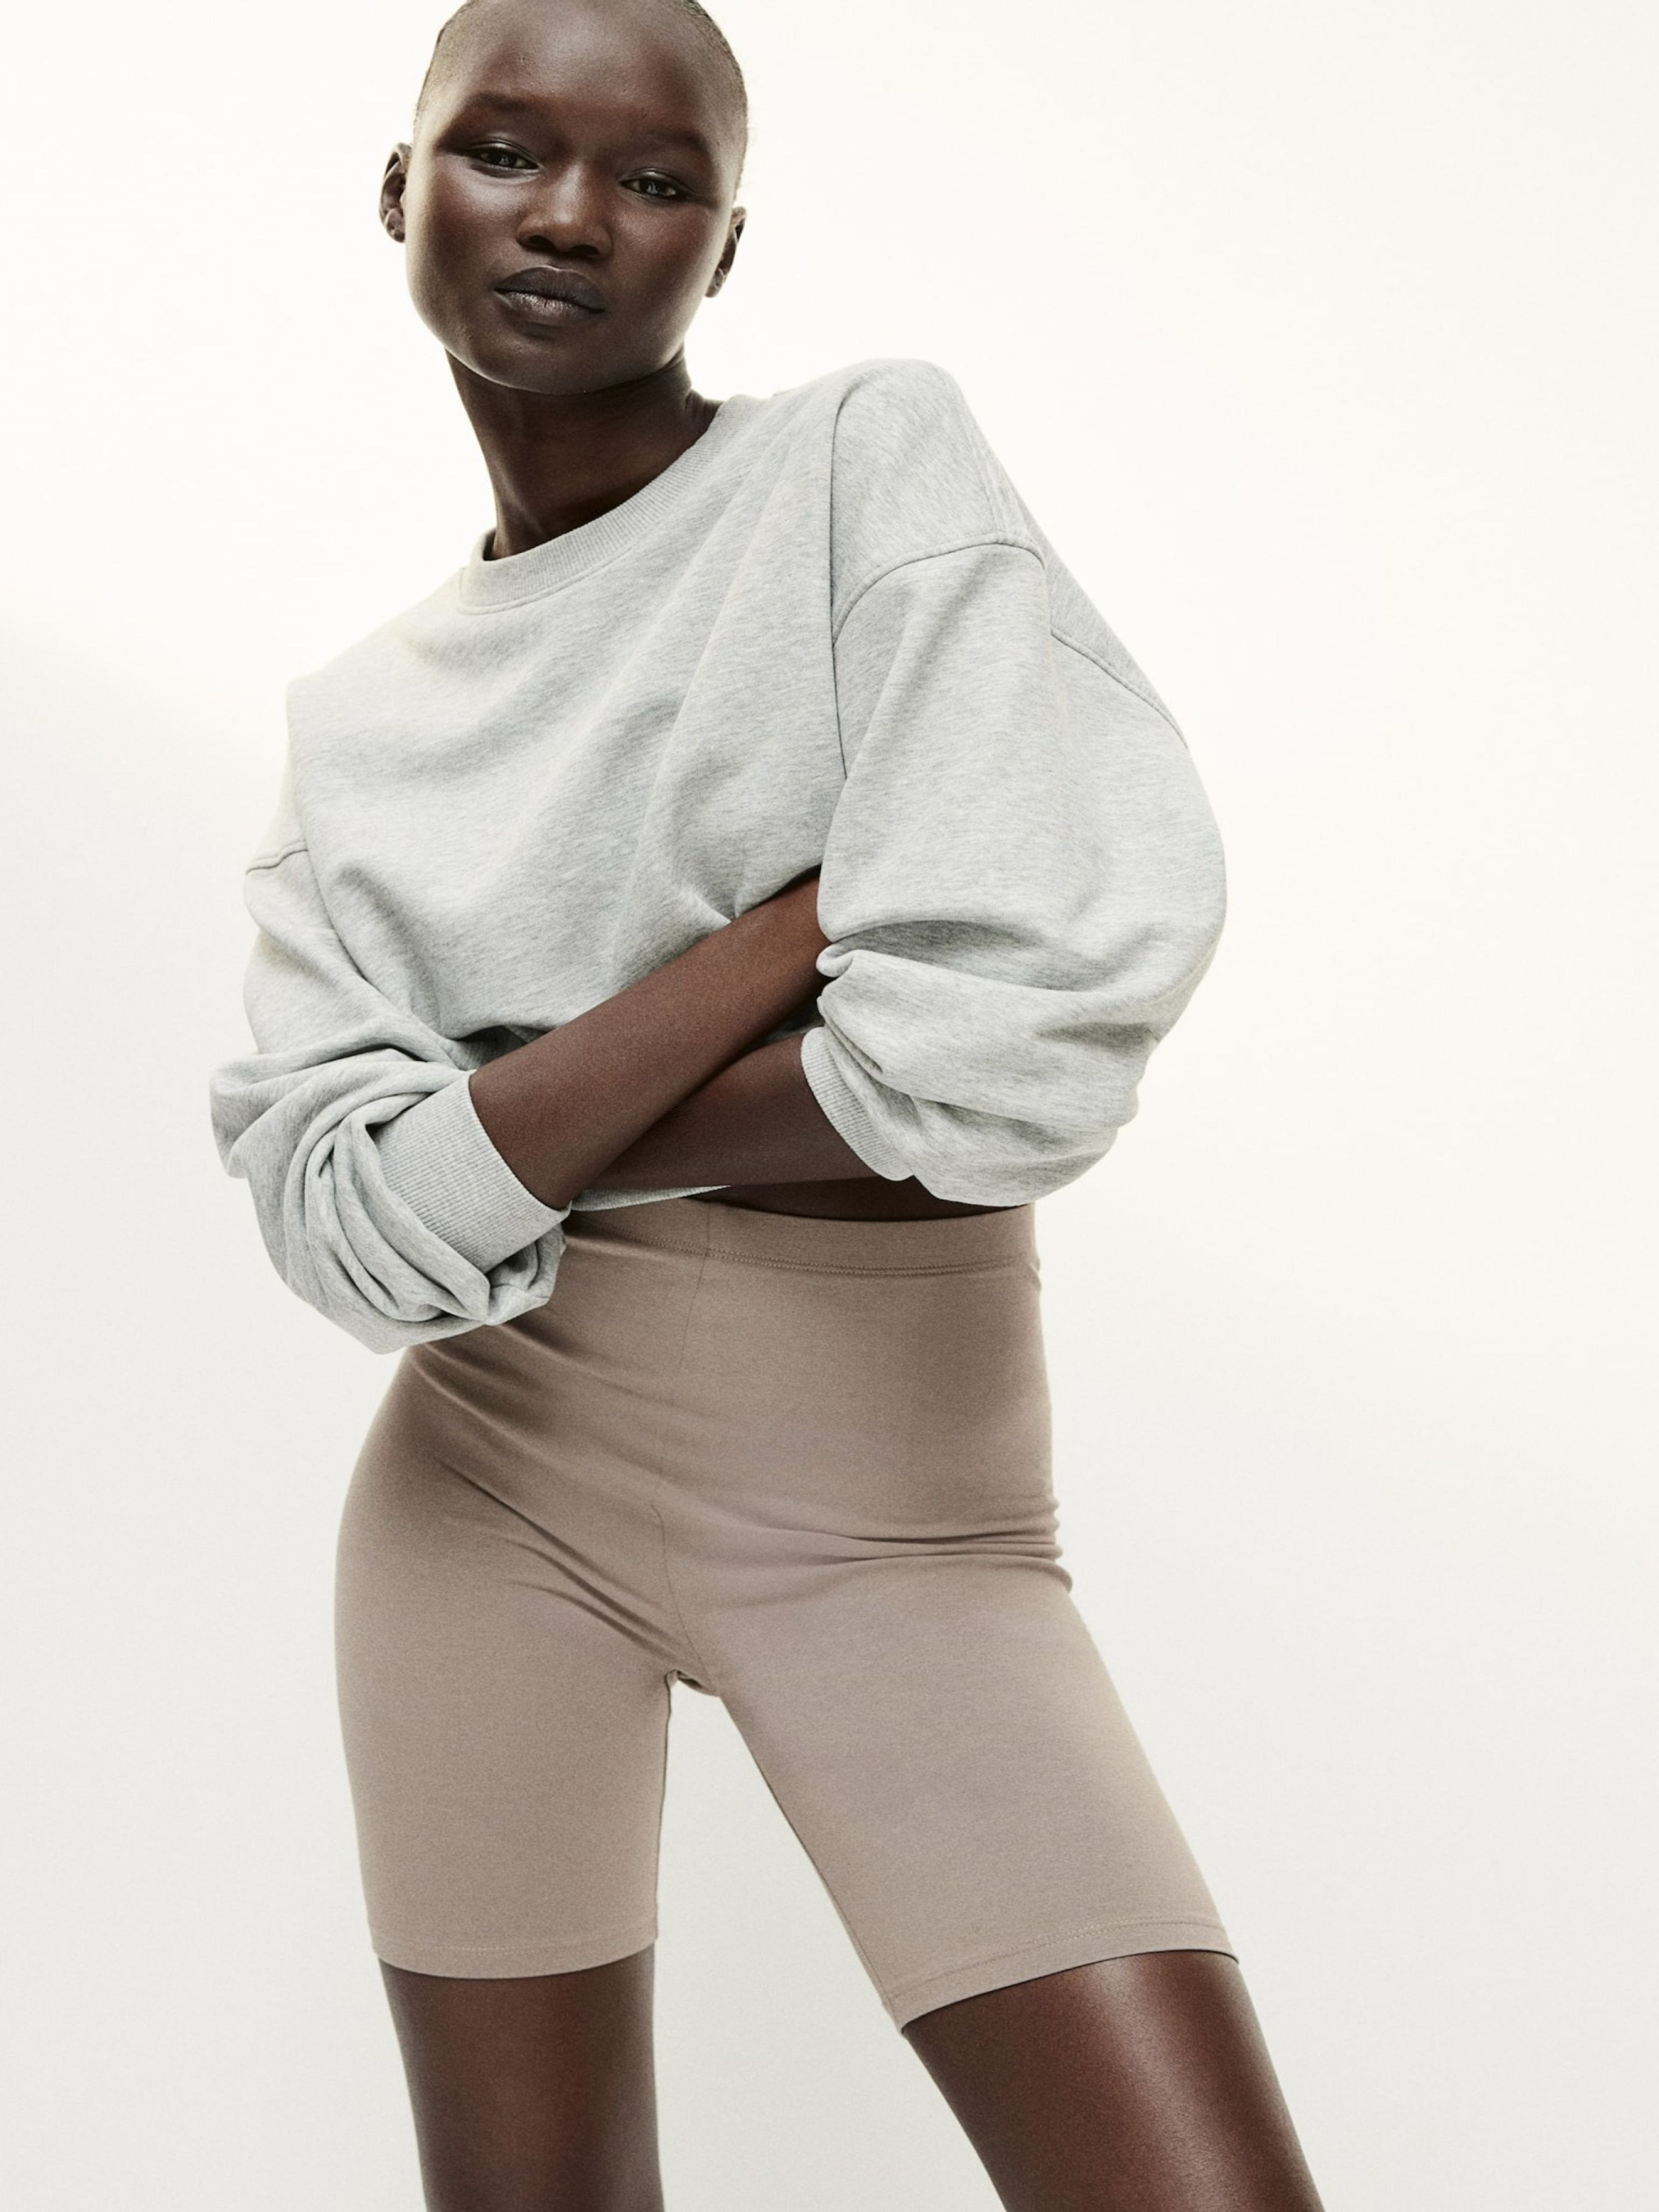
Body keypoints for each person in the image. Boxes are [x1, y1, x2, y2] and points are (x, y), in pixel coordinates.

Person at [209, 1, 1325, 2205]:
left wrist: (508, 1131)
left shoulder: (861, 466)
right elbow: (339, 1226)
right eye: (505, 149)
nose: (569, 216)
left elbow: (1012, 1042)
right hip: (486, 1495)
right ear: (400, 187)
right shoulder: (358, 729)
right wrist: (788, 933)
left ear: (723, 246)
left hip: (896, 1522)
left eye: (655, 180)